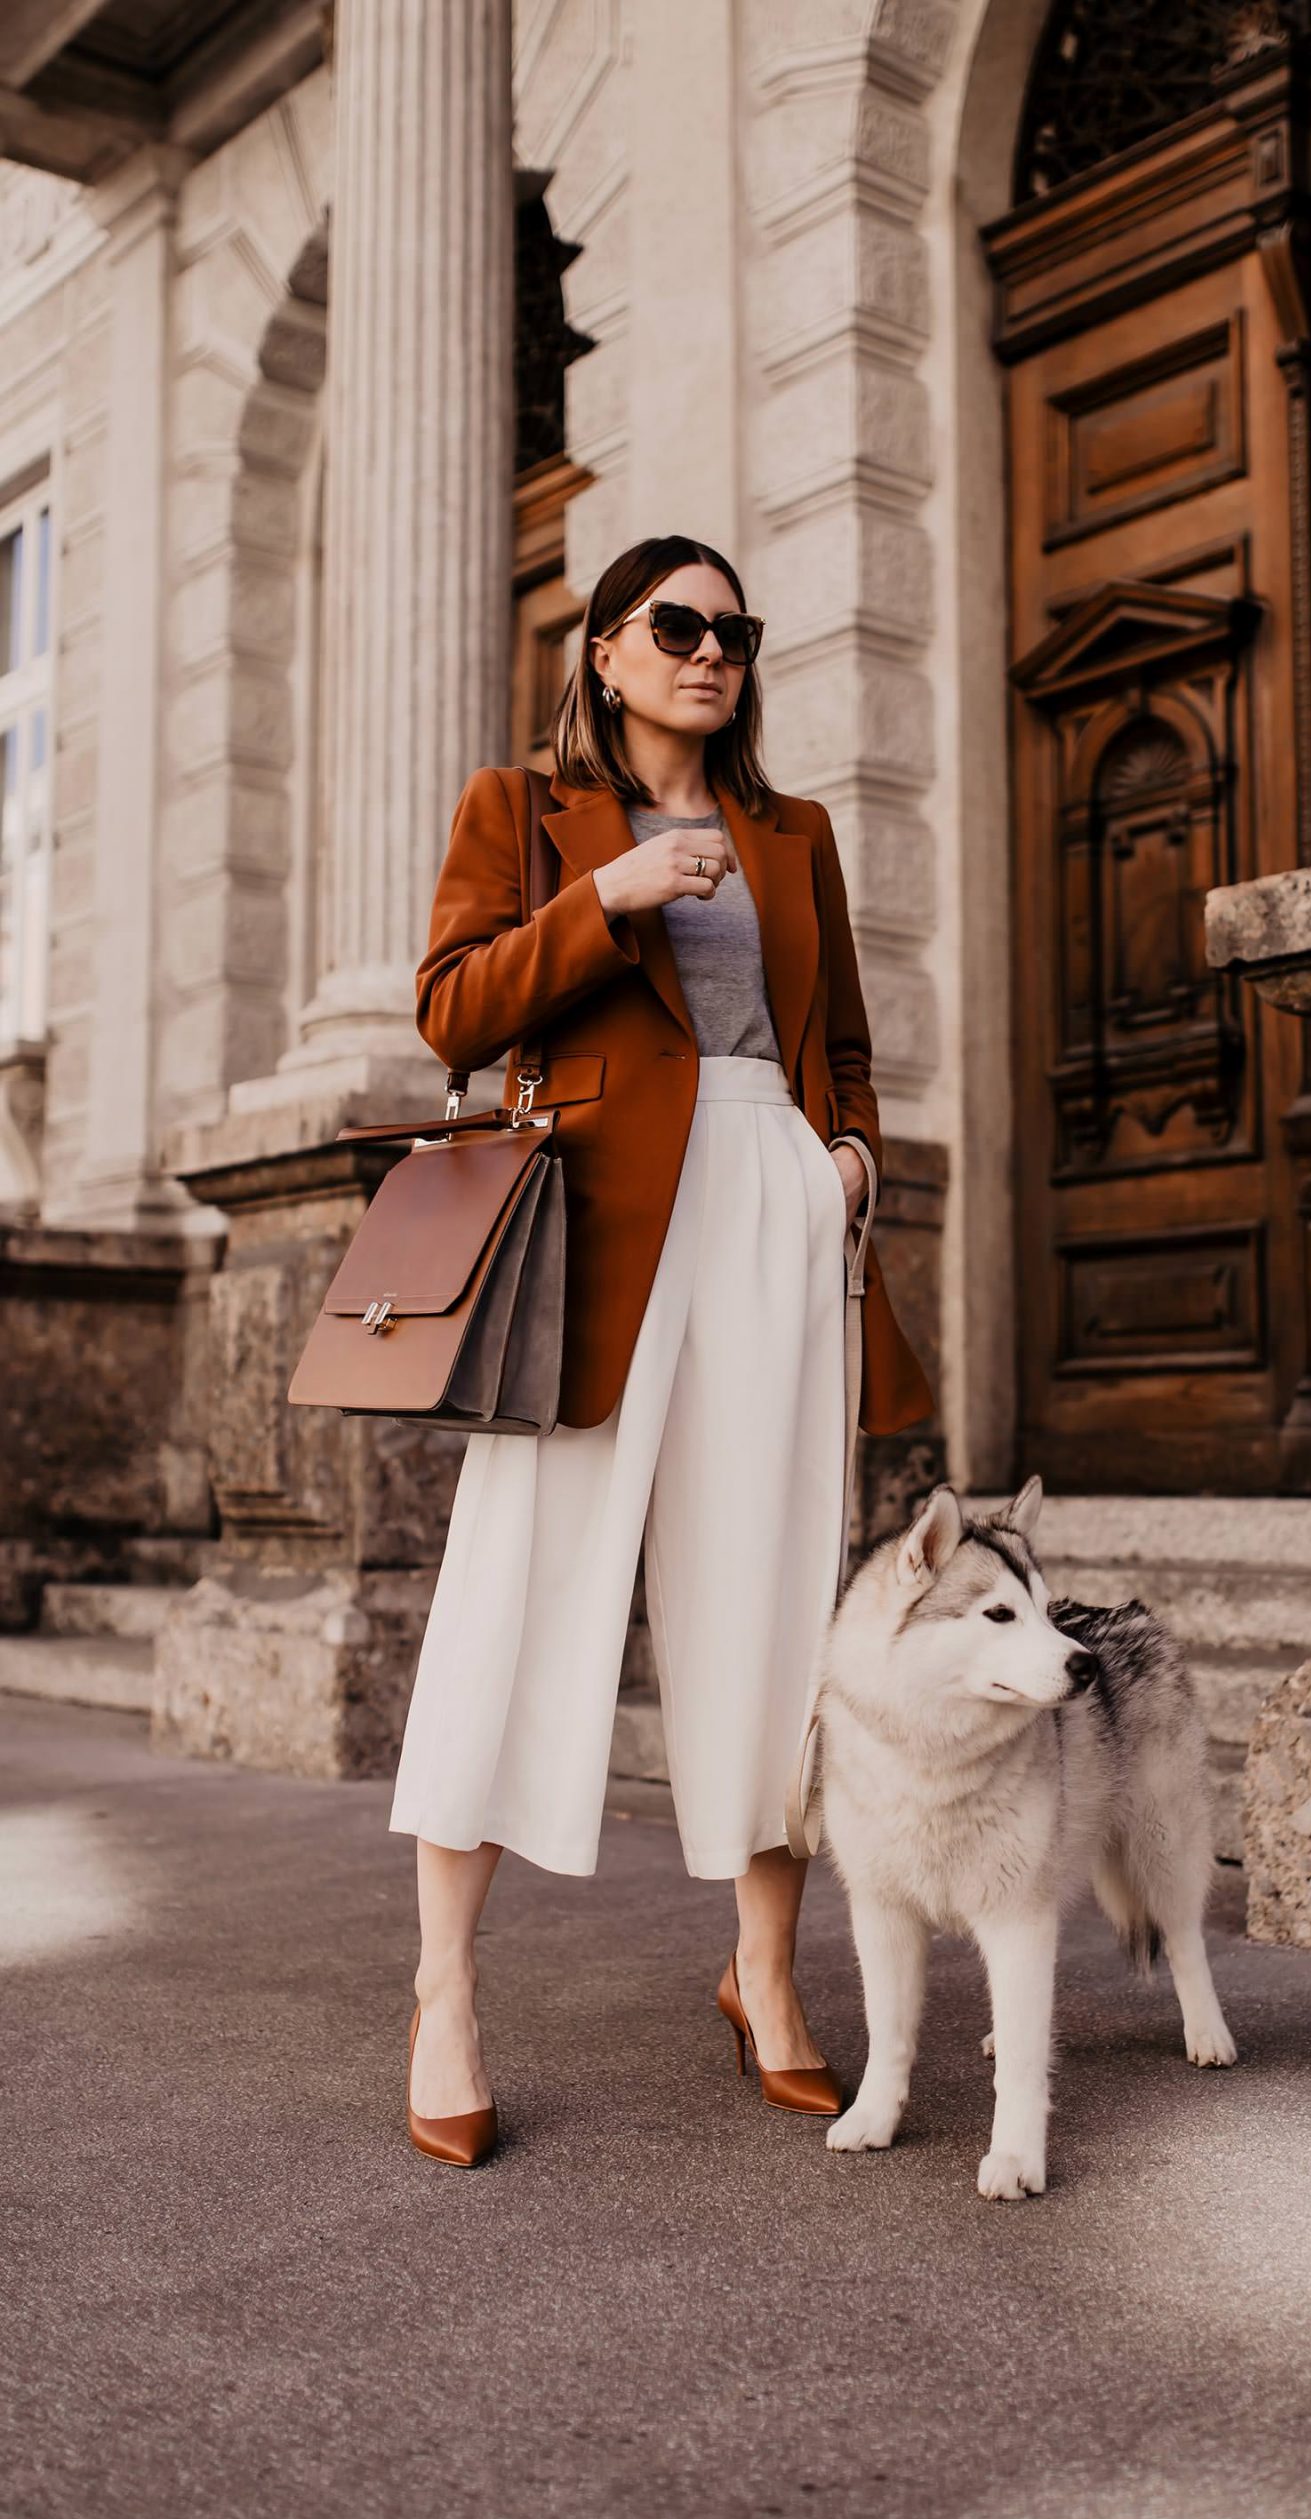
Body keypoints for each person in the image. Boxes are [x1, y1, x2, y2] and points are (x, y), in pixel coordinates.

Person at [389, 533, 935, 2164]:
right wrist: (606, 894)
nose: (712, 652)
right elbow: (452, 1009)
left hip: (775, 1209)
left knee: (771, 1593)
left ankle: (767, 1974)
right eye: (677, 625)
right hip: (597, 1227)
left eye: (734, 630)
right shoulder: (525, 811)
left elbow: (843, 1047)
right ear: (607, 653)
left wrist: (849, 1158)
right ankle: (443, 1991)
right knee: (519, 1586)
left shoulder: (795, 833)